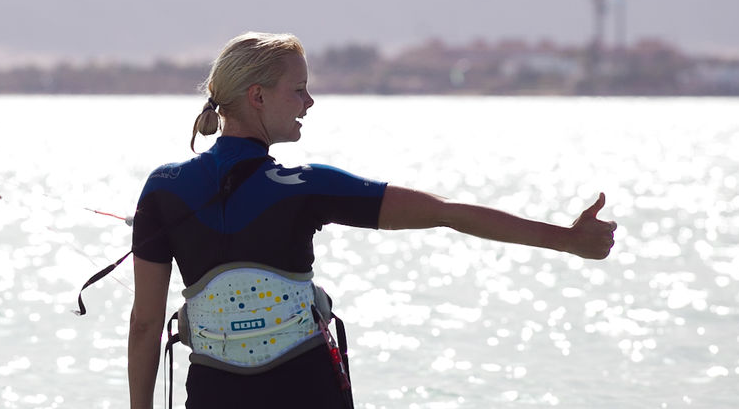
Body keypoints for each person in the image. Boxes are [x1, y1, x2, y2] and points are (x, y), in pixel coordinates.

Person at [126, 32, 617, 408]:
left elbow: (146, 324)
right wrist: (568, 240)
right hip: (306, 388)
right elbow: (446, 213)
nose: (309, 103)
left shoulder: (164, 189)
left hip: (215, 393)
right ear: (257, 96)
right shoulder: (307, 186)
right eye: (298, 90)